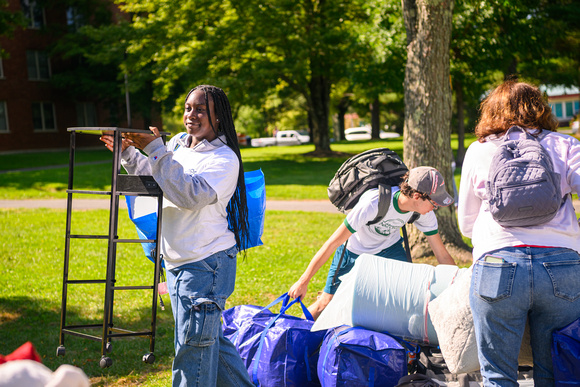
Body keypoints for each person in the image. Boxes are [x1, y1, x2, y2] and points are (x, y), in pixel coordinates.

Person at [100, 85, 254, 387]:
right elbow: (159, 177)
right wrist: (128, 152)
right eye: (187, 108)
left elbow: (190, 195)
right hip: (178, 262)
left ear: (218, 116)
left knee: (191, 353)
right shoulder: (180, 147)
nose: (190, 115)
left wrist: (157, 149)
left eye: (200, 109)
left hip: (206, 265)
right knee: (209, 344)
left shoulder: (224, 159)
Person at [458, 80, 580, 386]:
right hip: (561, 266)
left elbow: (466, 223)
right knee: (557, 368)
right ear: (539, 107)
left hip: (497, 263)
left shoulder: (478, 151)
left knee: (498, 374)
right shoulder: (565, 145)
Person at [288, 166, 456, 320]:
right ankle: (291, 336)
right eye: (434, 203)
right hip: (355, 250)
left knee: (407, 298)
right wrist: (303, 281)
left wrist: (458, 287)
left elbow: (442, 254)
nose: (435, 208)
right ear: (417, 196)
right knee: (326, 302)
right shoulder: (373, 202)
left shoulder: (424, 213)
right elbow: (332, 243)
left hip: (389, 249)